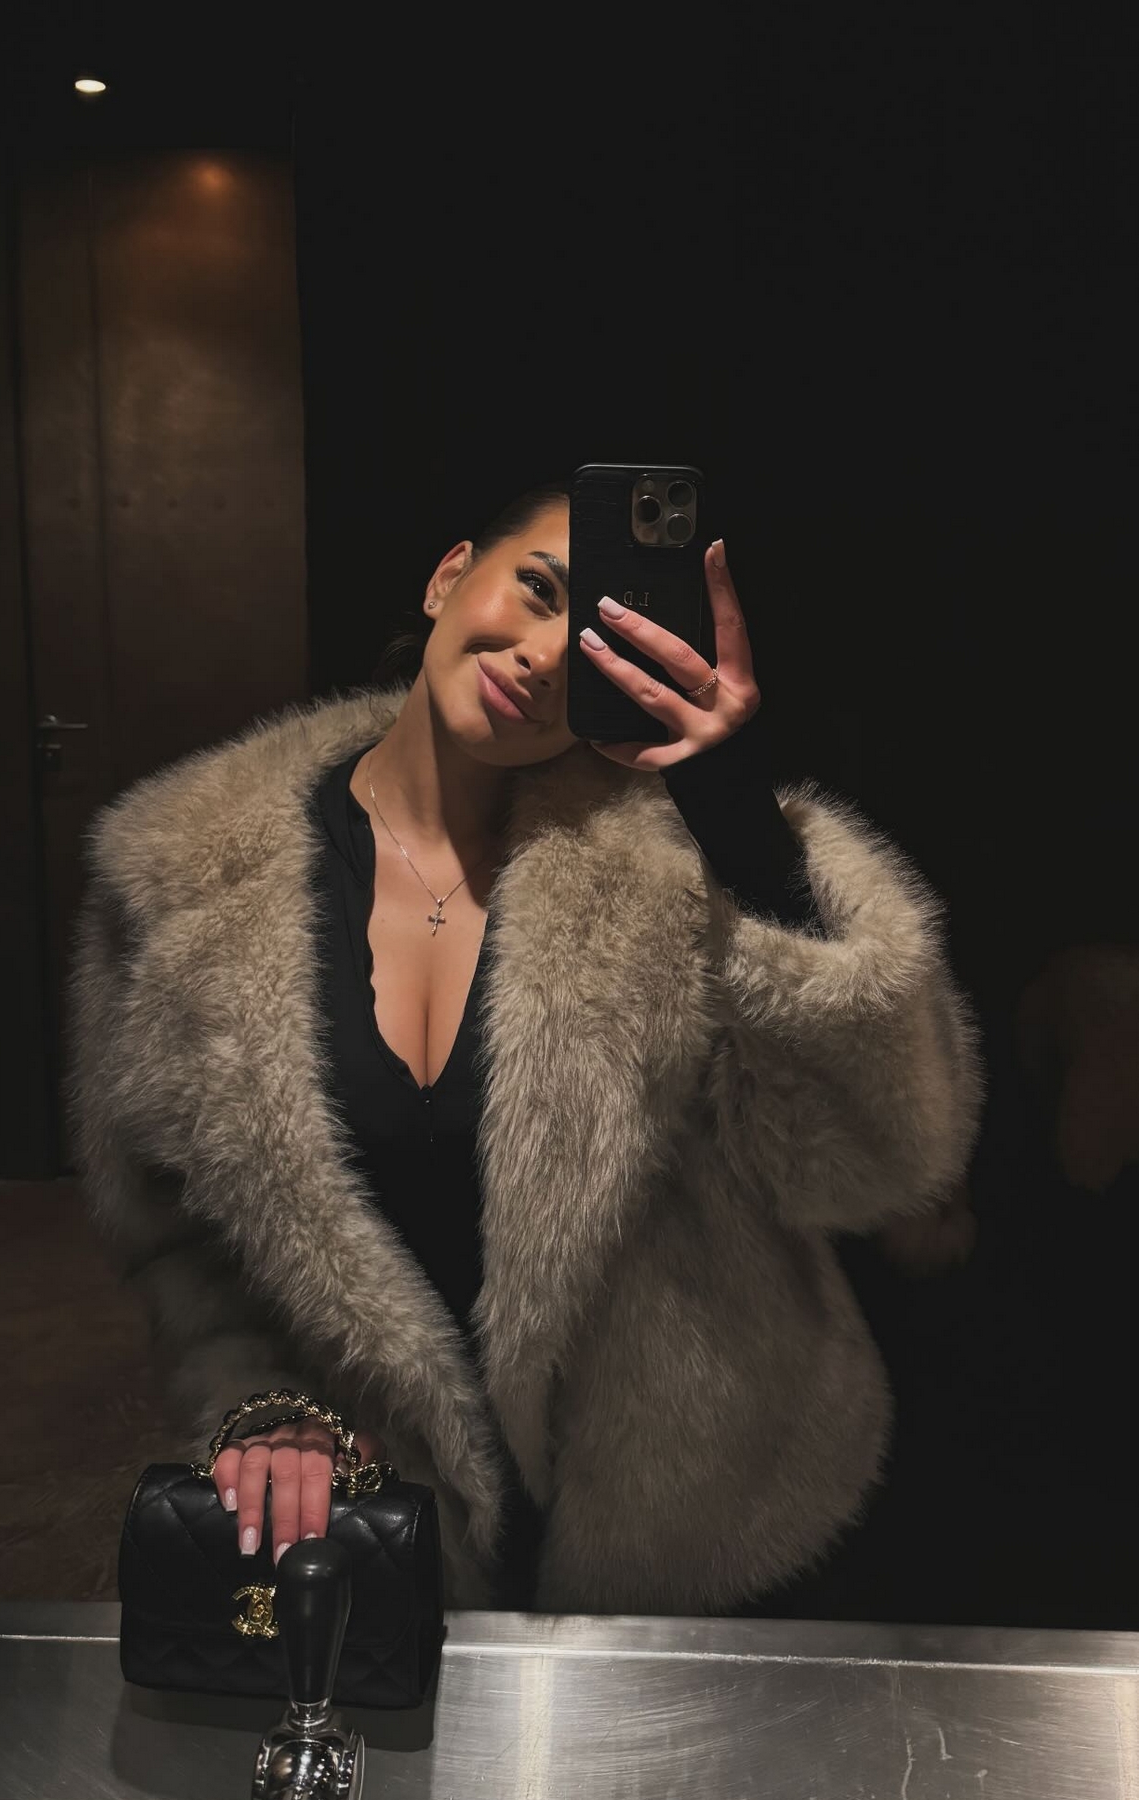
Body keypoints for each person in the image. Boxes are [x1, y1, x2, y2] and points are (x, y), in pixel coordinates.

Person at [67, 481, 983, 1615]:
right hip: (384, 1522)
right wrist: (260, 1403)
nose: (547, 656)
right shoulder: (173, 886)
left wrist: (739, 822)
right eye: (539, 591)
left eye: (599, 635)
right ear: (451, 577)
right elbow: (176, 1241)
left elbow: (879, 1159)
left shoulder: (675, 862)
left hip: (714, 1524)